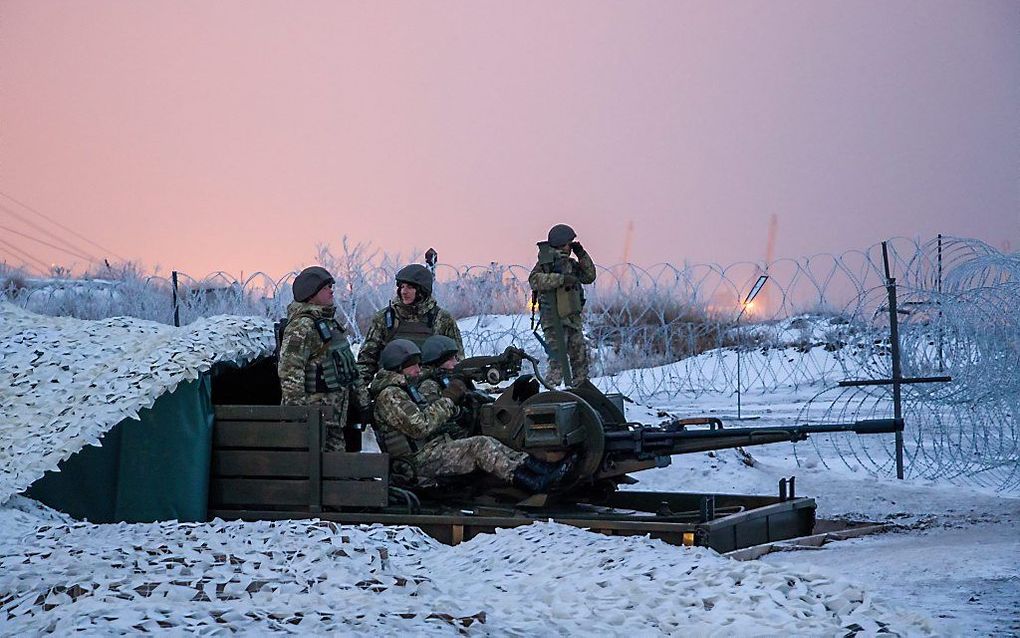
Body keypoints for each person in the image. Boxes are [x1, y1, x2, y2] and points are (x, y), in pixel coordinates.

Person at [370, 339, 569, 492]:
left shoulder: (403, 389)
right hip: (417, 462)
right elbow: (421, 426)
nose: (418, 369)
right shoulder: (390, 395)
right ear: (397, 366)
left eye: (418, 363)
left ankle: (540, 470)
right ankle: (533, 482)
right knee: (480, 446)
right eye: (412, 364)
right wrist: (449, 399)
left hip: (430, 450)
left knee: (488, 441)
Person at [277, 266, 360, 451]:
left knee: (335, 471)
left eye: (331, 286)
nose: (331, 290)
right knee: (314, 470)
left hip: (333, 418)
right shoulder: (302, 326)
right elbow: (290, 371)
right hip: (313, 419)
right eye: (325, 288)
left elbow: (348, 367)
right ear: (310, 294)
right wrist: (300, 415)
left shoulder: (329, 324)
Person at [356, 263, 463, 385]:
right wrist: (360, 392)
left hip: (431, 388)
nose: (404, 292)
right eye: (402, 287)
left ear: (422, 290)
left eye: (410, 287)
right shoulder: (385, 318)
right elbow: (367, 361)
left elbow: (457, 360)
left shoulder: (442, 319)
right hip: (393, 389)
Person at [528, 224, 597, 386]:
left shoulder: (571, 264)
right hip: (553, 320)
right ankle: (549, 393)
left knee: (580, 360)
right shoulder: (546, 263)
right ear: (560, 243)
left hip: (572, 319)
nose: (570, 247)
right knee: (558, 363)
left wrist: (582, 254)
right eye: (568, 244)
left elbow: (589, 276)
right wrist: (560, 279)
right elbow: (534, 280)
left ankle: (580, 391)